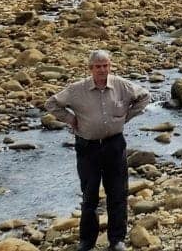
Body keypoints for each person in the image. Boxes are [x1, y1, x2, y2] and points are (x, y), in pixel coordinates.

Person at [46, 50, 150, 251]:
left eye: (106, 66)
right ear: (90, 68)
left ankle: (117, 239)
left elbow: (145, 96)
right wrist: (70, 119)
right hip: (88, 147)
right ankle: (87, 241)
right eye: (98, 66)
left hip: (114, 145)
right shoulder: (77, 89)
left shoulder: (121, 84)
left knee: (118, 193)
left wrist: (126, 117)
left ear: (110, 66)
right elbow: (51, 103)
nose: (102, 70)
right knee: (89, 195)